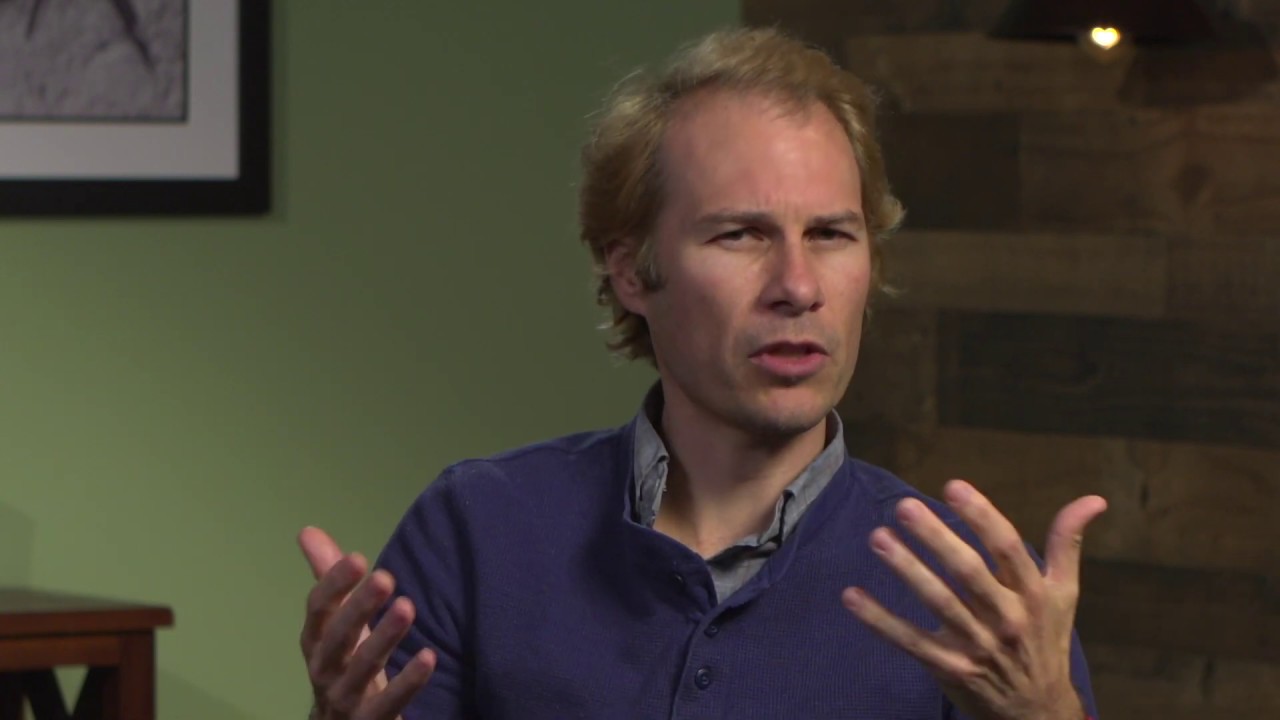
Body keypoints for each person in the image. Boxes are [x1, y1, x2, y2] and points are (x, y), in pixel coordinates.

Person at [297, 27, 1106, 720]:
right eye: (740, 235)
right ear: (631, 271)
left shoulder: (976, 594)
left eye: (830, 234)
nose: (798, 286)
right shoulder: (477, 529)